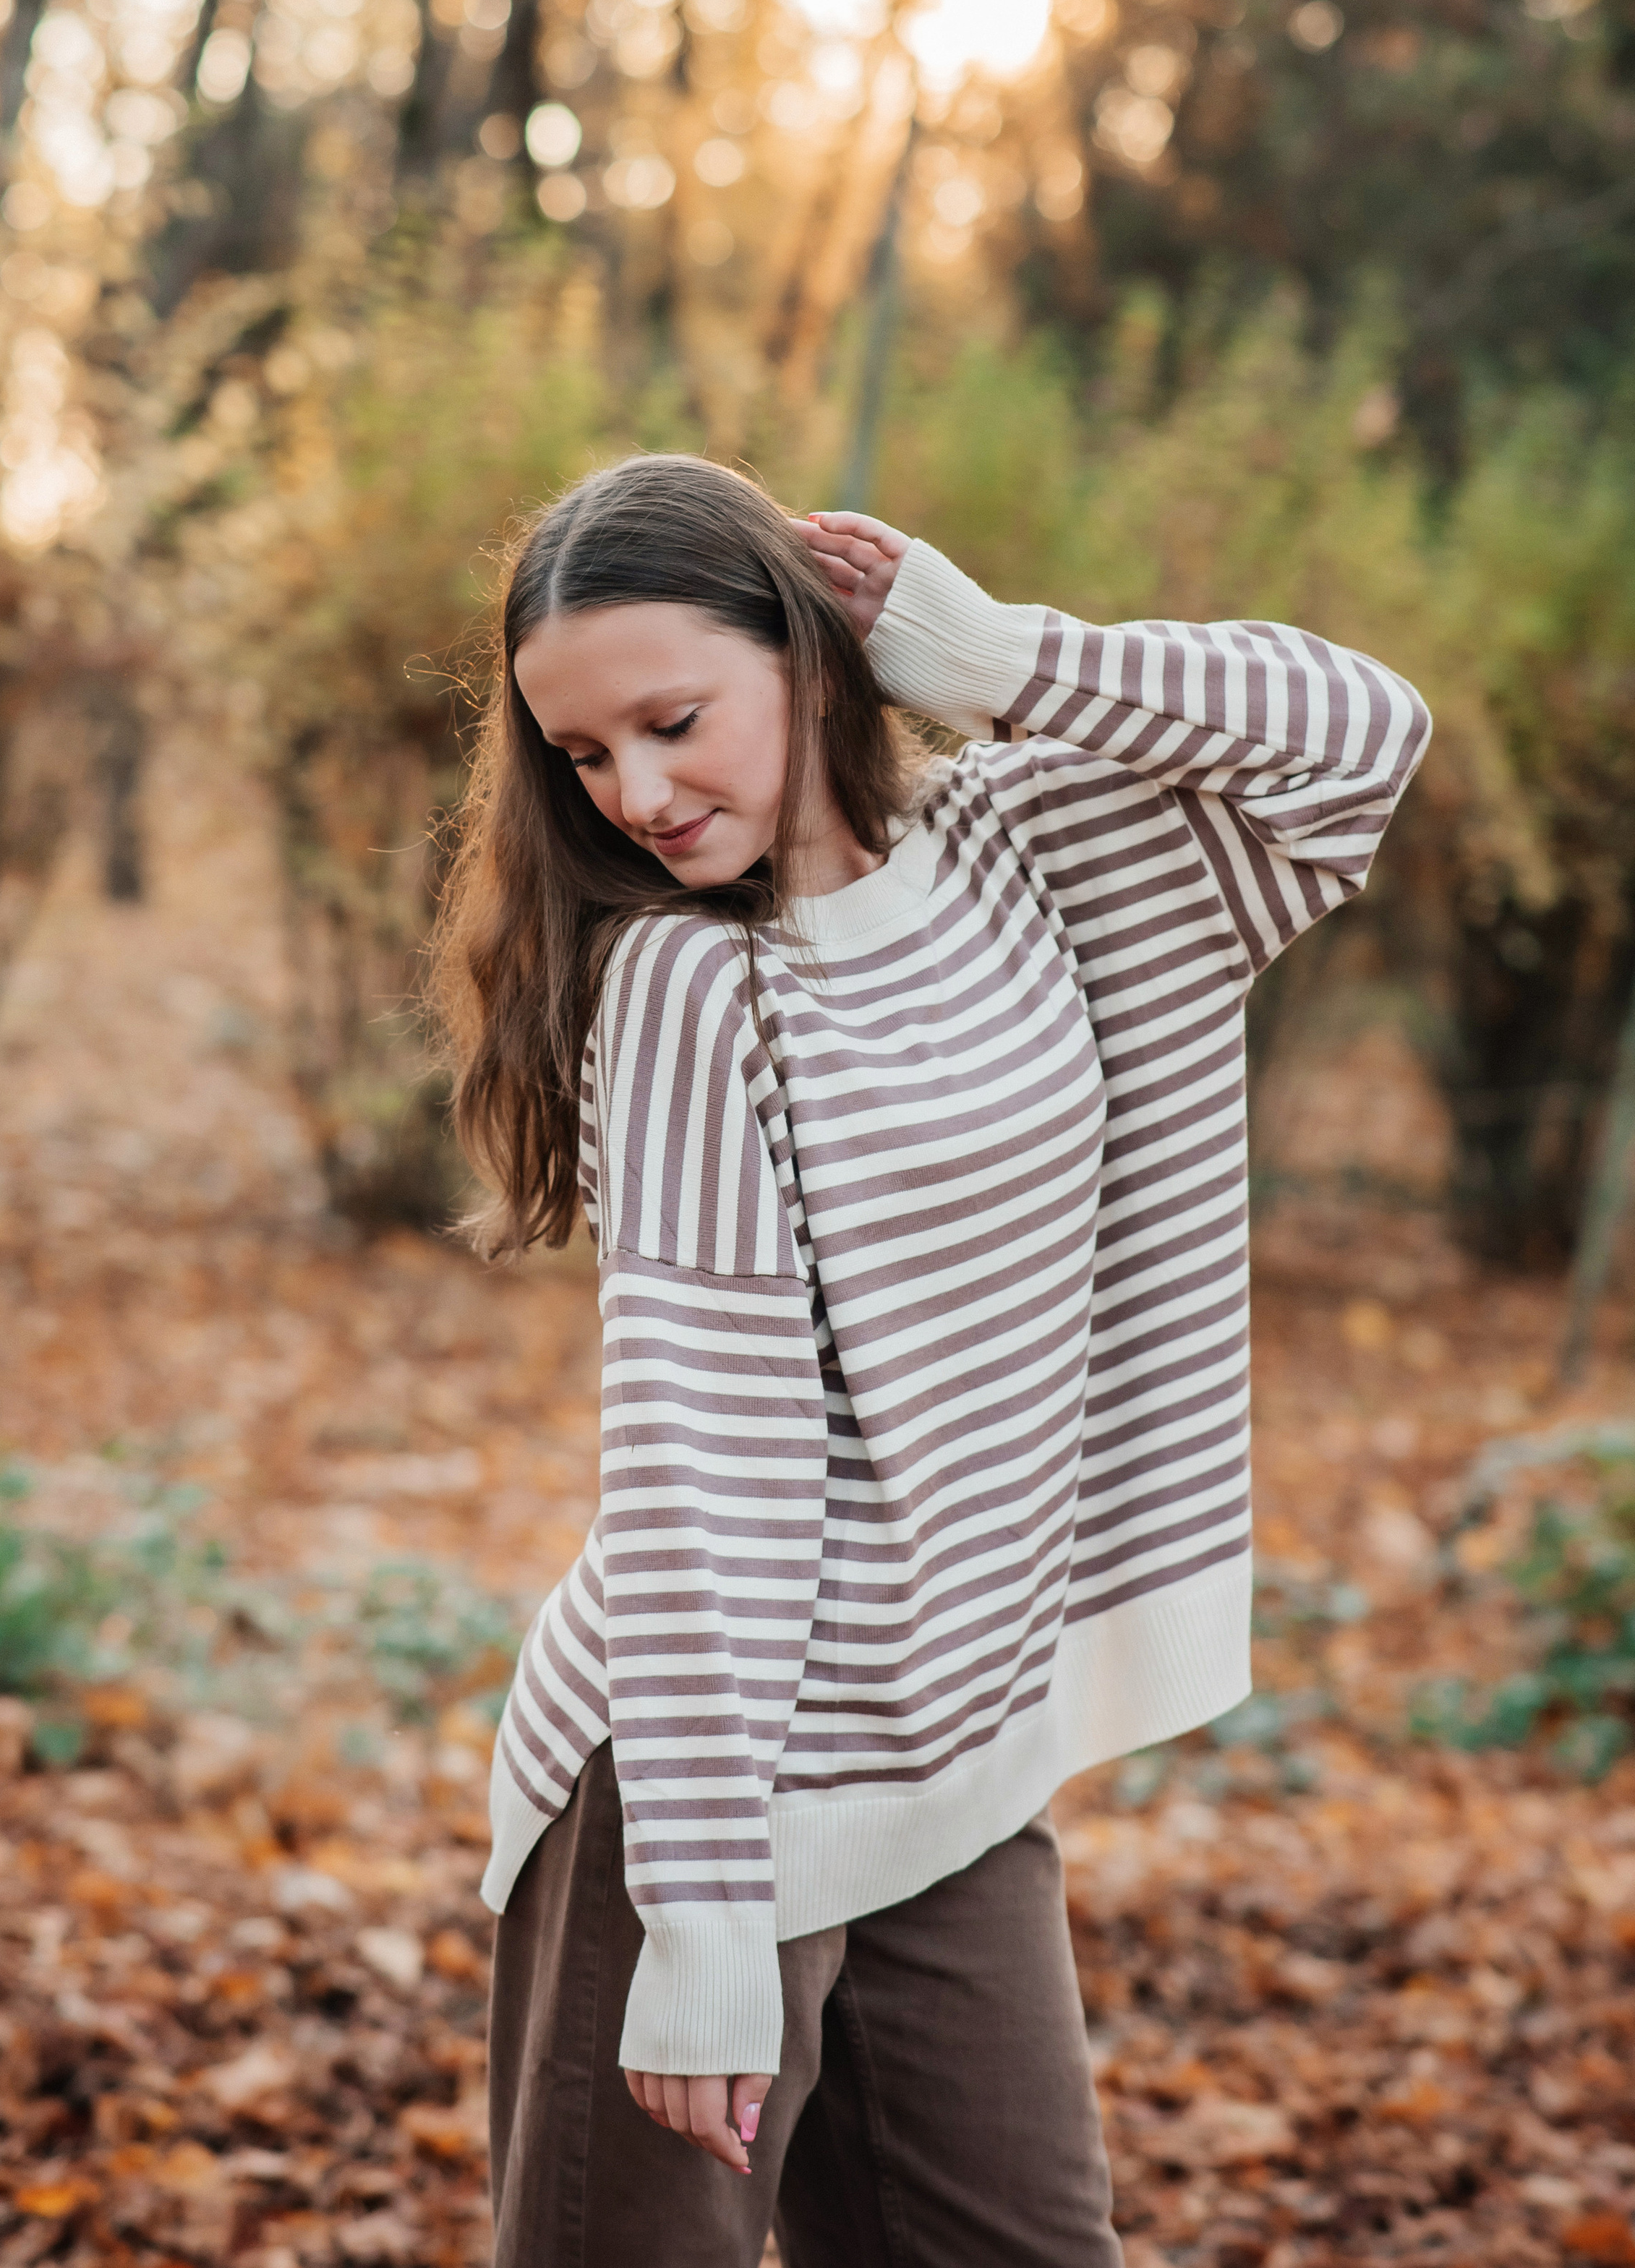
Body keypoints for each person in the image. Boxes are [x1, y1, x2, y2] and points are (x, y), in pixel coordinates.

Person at [431, 453, 1430, 2268]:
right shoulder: (688, 992)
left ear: (813, 663)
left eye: (671, 722)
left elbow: (1360, 736)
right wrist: (710, 1930)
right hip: (696, 1794)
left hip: (950, 1759)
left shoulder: (1031, 855)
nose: (636, 794)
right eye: (582, 757)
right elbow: (700, 1464)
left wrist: (995, 655)